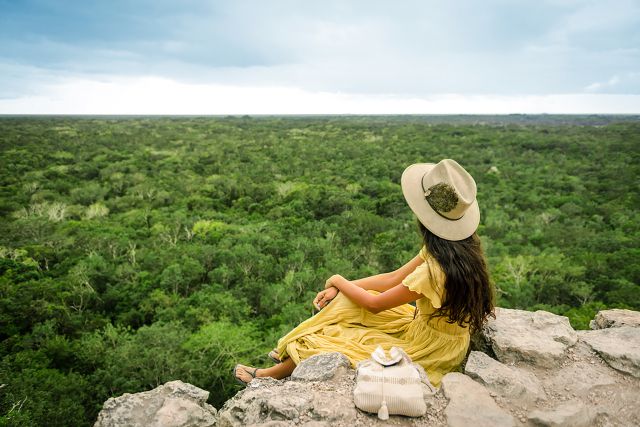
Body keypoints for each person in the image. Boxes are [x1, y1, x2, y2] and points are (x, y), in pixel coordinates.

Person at [234, 158, 496, 388]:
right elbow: (392, 279)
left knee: (337, 340)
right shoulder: (456, 250)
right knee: (346, 301)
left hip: (431, 347)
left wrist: (337, 279)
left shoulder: (434, 270)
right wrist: (341, 287)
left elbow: (374, 305)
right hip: (431, 329)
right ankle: (292, 350)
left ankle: (273, 373)